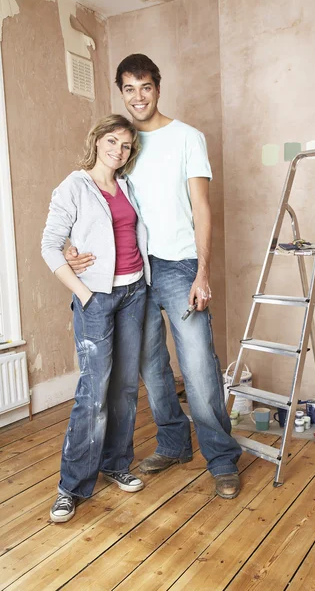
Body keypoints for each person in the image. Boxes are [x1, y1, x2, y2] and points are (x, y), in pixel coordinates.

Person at [66, 55, 242, 499]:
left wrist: (203, 272)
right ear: (120, 93)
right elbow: (97, 200)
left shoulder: (187, 138)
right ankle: (174, 444)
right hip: (135, 274)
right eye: (128, 89)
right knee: (151, 368)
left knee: (199, 368)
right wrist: (69, 245)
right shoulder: (122, 145)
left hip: (181, 265)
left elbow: (201, 207)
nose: (137, 97)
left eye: (145, 87)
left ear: (157, 88)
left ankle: (221, 458)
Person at [42, 114, 150, 522]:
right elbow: (50, 246)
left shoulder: (127, 185)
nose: (118, 150)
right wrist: (83, 292)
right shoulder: (74, 186)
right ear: (97, 140)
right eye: (112, 141)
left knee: (124, 388)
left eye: (125, 146)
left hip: (134, 291)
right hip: (97, 299)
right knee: (94, 392)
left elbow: (130, 235)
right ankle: (72, 485)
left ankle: (116, 462)